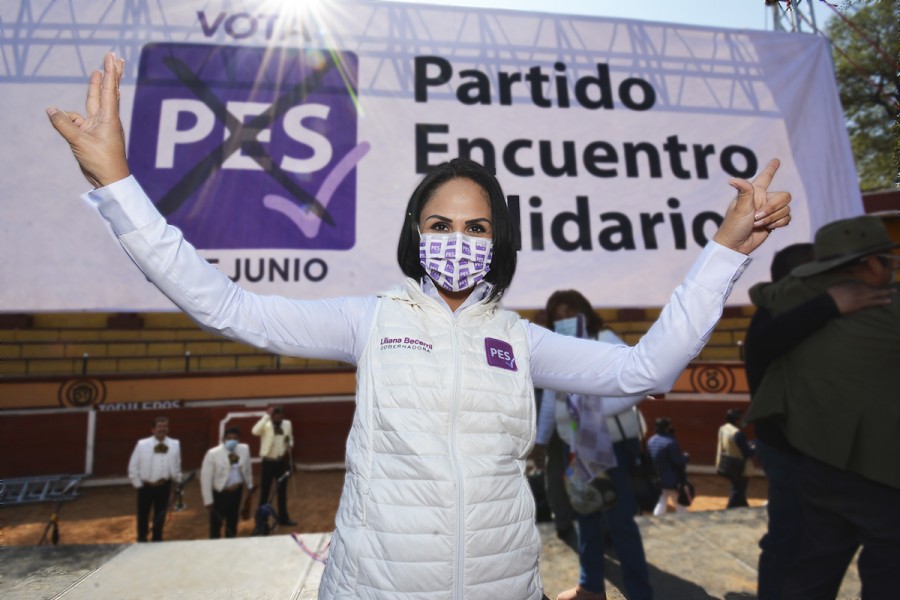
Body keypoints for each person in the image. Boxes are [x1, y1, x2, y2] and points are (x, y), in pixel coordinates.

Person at [47, 53, 791, 600]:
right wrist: (119, 185)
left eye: (476, 228)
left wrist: (723, 251)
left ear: (498, 243)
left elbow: (644, 373)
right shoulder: (369, 320)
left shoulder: (520, 340)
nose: (457, 240)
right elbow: (224, 304)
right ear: (415, 233)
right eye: (440, 223)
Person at [745, 215, 899, 600]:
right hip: (868, 469)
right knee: (881, 570)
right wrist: (826, 303)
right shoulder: (881, 310)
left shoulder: (785, 300)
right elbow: (761, 345)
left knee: (814, 560)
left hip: (817, 461)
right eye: (890, 262)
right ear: (873, 264)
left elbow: (767, 295)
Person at [535, 290, 653, 600]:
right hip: (573, 446)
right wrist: (541, 441)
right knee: (585, 513)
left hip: (610, 444)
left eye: (570, 313)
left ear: (585, 312)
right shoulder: (557, 348)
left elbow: (636, 386)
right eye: (557, 317)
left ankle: (640, 593)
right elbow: (550, 398)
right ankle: (591, 587)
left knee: (619, 522)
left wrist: (591, 411)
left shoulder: (604, 336)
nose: (564, 321)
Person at [127, 416, 182, 542]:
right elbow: (133, 465)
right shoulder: (142, 444)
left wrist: (176, 485)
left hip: (164, 485)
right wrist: (138, 485)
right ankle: (142, 538)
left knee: (160, 514)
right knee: (143, 514)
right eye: (159, 427)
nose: (162, 429)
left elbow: (177, 464)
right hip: (146, 486)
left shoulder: (175, 444)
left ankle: (157, 538)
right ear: (153, 429)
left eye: (165, 426)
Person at [200, 426, 254, 539]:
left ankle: (231, 546)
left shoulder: (244, 449)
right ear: (223, 439)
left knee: (232, 521)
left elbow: (247, 468)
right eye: (229, 438)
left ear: (239, 439)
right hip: (220, 494)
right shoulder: (213, 453)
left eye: (235, 438)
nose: (232, 441)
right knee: (216, 523)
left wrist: (250, 485)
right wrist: (208, 500)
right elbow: (206, 478)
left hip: (236, 492)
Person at [252, 406, 296, 526]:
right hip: (268, 462)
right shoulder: (265, 424)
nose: (279, 417)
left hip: (281, 462)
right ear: (272, 415)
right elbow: (255, 431)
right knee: (265, 491)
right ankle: (261, 519)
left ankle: (283, 518)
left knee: (282, 491)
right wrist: (266, 416)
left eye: (281, 414)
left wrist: (290, 443)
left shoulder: (287, 424)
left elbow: (290, 437)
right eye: (276, 415)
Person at [647, 417, 688, 516]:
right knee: (678, 502)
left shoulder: (651, 440)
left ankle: (657, 519)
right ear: (666, 427)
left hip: (657, 477)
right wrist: (686, 457)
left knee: (662, 499)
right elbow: (677, 460)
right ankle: (684, 519)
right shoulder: (670, 442)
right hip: (671, 478)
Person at [716, 408, 755, 509]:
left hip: (727, 463)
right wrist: (755, 447)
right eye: (741, 419)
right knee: (738, 490)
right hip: (739, 466)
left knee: (738, 488)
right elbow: (747, 453)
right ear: (736, 420)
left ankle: (745, 508)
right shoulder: (738, 433)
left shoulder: (723, 428)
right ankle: (729, 510)